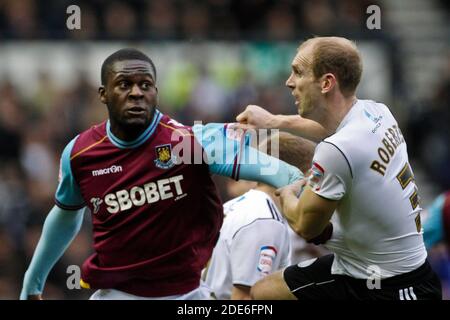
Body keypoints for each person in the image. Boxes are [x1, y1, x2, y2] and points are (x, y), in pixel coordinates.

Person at [20, 48, 303, 300]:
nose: (136, 92)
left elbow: (285, 173)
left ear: (156, 91)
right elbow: (66, 214)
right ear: (103, 94)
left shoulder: (189, 143)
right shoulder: (81, 154)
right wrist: (32, 283)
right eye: (124, 84)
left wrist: (316, 223)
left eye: (146, 85)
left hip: (186, 295)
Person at [237, 36, 442, 300]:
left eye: (298, 72)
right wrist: (273, 120)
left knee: (264, 294)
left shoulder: (336, 151)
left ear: (326, 83)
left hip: (394, 288)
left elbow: (304, 225)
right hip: (371, 268)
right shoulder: (376, 112)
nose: (289, 82)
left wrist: (285, 188)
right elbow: (334, 129)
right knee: (265, 291)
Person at [204, 132, 316, 299]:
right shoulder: (265, 221)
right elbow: (245, 299)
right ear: (305, 175)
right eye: (316, 177)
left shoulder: (237, 206)